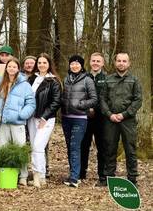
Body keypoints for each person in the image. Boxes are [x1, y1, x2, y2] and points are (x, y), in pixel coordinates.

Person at [100, 53, 142, 186]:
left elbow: (138, 100)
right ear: (115, 63)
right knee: (110, 148)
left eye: (124, 61)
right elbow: (102, 99)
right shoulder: (108, 80)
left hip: (128, 120)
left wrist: (124, 114)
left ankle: (132, 178)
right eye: (119, 61)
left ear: (128, 64)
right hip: (110, 120)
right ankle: (108, 177)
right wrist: (109, 114)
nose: (121, 63)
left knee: (130, 149)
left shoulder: (134, 80)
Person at [0, 57, 36, 186]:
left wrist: (22, 115)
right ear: (6, 68)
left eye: (14, 66)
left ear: (18, 68)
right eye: (9, 66)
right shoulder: (0, 83)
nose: (11, 68)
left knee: (20, 149)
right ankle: (7, 174)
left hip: (17, 123)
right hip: (3, 123)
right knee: (4, 149)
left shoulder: (25, 84)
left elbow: (31, 103)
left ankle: (23, 176)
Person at [61, 55, 97, 188]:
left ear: (81, 66)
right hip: (66, 118)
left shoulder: (87, 80)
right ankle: (73, 174)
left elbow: (94, 99)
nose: (74, 66)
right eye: (72, 64)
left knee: (75, 147)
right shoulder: (66, 79)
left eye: (77, 64)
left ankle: (75, 178)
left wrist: (80, 104)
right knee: (70, 147)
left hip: (80, 118)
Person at [27, 53, 61, 187]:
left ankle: (39, 175)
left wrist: (44, 117)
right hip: (31, 117)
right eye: (39, 63)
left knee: (38, 146)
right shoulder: (31, 79)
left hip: (46, 119)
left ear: (49, 65)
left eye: (44, 63)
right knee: (34, 147)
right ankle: (38, 176)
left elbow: (56, 102)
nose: (42, 65)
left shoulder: (53, 81)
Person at [80, 52, 107, 183]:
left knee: (102, 146)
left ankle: (103, 174)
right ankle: (81, 173)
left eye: (98, 61)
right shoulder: (83, 77)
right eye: (93, 61)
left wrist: (97, 109)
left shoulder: (107, 78)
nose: (95, 63)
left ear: (103, 63)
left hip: (102, 118)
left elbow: (106, 98)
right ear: (89, 62)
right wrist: (87, 108)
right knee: (83, 145)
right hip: (85, 117)